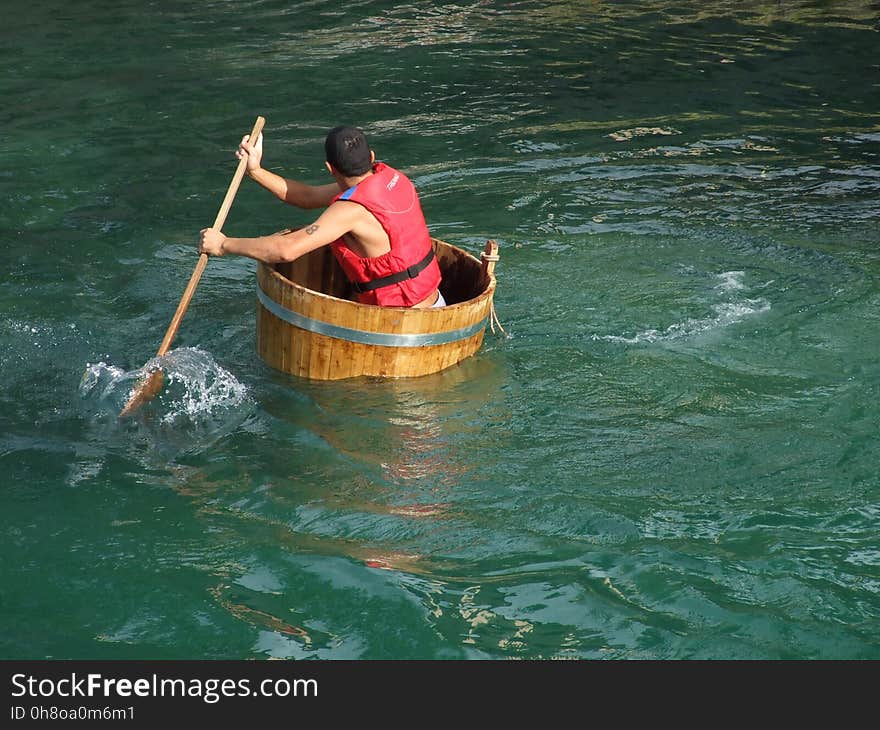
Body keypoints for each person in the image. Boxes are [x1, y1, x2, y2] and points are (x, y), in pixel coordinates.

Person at [199, 125, 445, 308]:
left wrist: (223, 244)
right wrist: (255, 171)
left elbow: (287, 250)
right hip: (436, 307)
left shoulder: (351, 211)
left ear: (330, 168)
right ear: (371, 157)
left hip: (401, 325)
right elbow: (307, 196)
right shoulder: (391, 178)